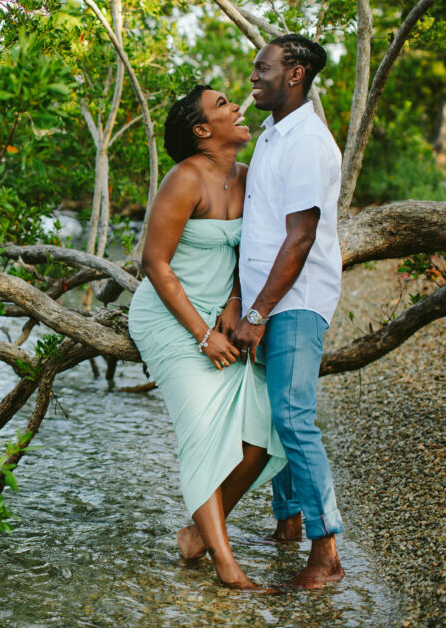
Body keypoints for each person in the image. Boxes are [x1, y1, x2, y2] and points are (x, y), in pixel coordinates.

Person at [127, 85, 287, 590]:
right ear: (202, 130)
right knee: (201, 432)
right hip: (170, 321)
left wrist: (236, 304)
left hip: (223, 318)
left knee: (265, 435)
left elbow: (253, 250)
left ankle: (196, 535)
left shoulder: (249, 177)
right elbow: (153, 263)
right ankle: (225, 563)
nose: (237, 107)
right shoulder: (184, 179)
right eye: (222, 105)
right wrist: (200, 335)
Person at [230, 34, 346, 589]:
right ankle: (287, 523)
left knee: (293, 417)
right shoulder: (275, 133)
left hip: (294, 302)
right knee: (272, 416)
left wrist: (258, 311)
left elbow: (300, 238)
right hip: (266, 301)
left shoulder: (308, 142)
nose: (254, 76)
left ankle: (326, 555)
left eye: (263, 68)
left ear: (295, 74)